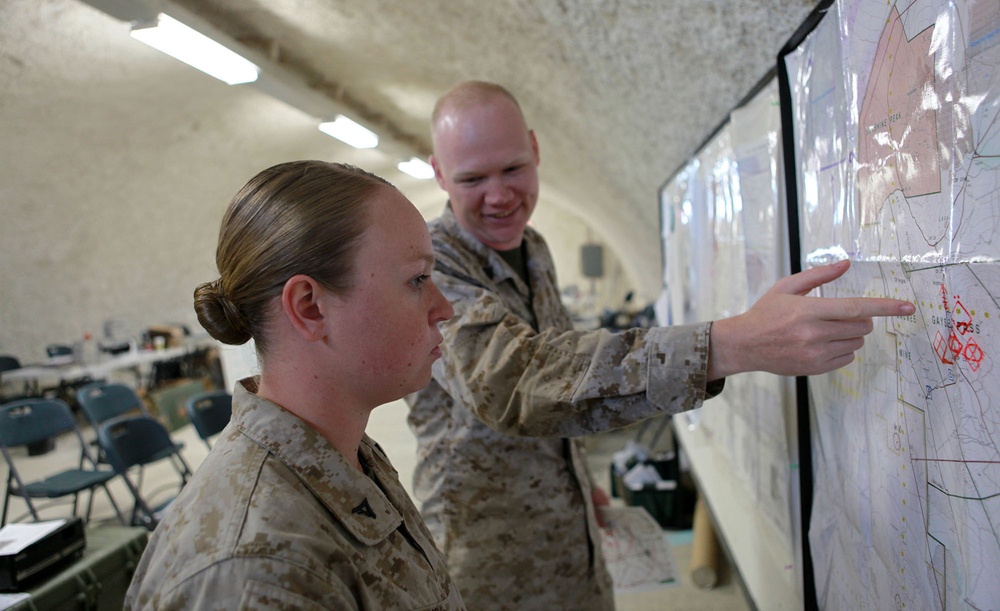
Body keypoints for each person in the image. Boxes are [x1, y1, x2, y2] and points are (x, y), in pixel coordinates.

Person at [405, 81, 916, 609]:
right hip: (486, 561)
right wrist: (730, 344)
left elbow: (562, 372)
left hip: (569, 531)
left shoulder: (531, 247)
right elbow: (514, 382)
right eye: (471, 178)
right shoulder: (428, 266)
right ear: (439, 174)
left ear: (535, 149)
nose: (499, 196)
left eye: (512, 169)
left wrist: (578, 482)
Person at [126, 161, 465, 610]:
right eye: (417, 279)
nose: (443, 308)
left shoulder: (344, 454)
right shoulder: (255, 570)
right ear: (310, 308)